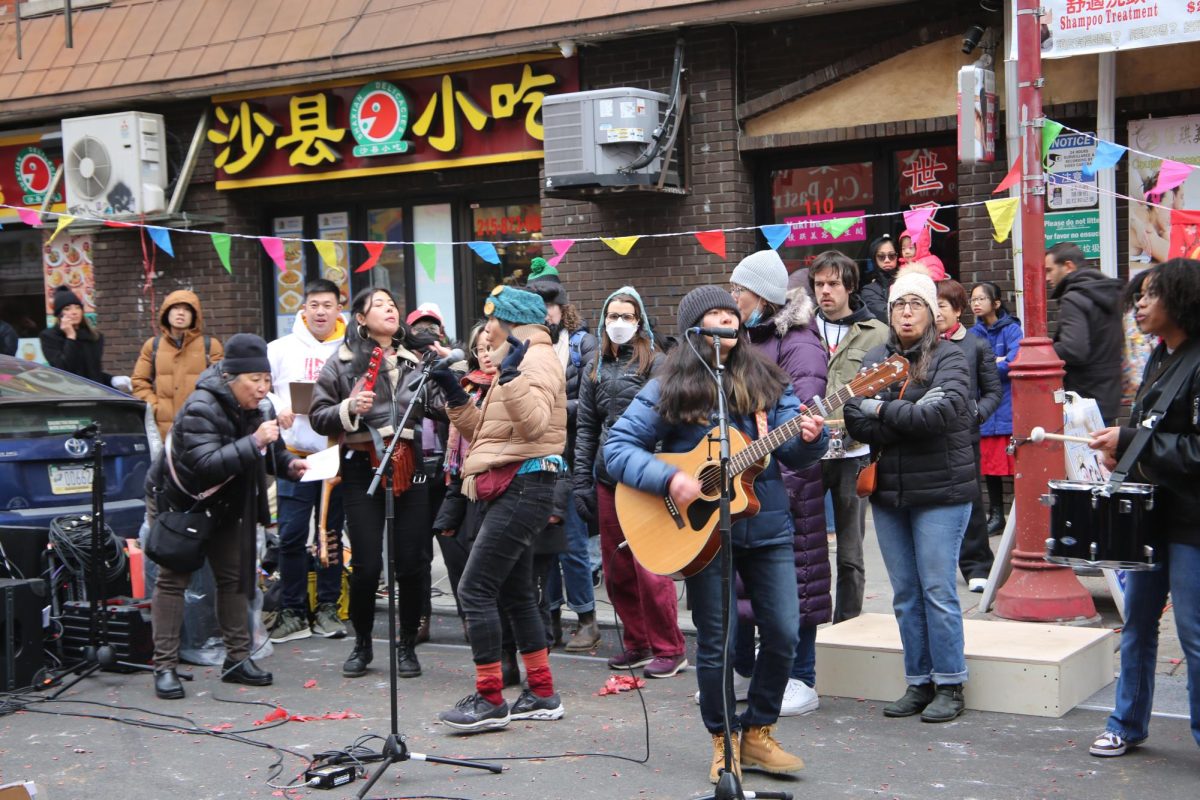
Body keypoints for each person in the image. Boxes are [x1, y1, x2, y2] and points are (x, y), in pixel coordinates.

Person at [605, 285, 828, 783]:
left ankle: (758, 733)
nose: (725, 324)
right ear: (693, 330)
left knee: (785, 633)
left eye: (731, 316)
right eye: (714, 317)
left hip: (767, 526)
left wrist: (816, 438)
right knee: (718, 644)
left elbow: (793, 451)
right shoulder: (669, 381)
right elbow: (616, 448)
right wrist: (671, 478)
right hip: (702, 536)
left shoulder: (767, 378)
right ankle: (723, 740)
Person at [427, 285, 568, 732]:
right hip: (513, 482)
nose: (484, 332)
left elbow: (535, 423)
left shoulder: (536, 359)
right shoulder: (519, 360)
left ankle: (490, 699)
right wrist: (453, 394)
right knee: (514, 592)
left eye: (491, 322)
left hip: (524, 484)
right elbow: (488, 433)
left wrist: (510, 378)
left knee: (474, 589)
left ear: (509, 322)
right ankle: (542, 692)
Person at [844, 267, 976, 723]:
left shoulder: (951, 358)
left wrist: (879, 407)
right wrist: (900, 414)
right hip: (889, 494)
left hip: (942, 491)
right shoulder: (875, 356)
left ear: (932, 312)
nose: (906, 312)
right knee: (904, 592)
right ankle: (918, 681)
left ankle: (951, 683)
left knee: (937, 589)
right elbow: (851, 417)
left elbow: (935, 419)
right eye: (899, 304)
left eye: (916, 303)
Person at [146, 334, 307, 699]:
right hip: (184, 501)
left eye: (267, 380)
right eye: (255, 380)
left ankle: (237, 660)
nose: (263, 388)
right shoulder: (202, 406)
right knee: (173, 580)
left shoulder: (258, 407)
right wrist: (255, 442)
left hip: (227, 505)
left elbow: (270, 454)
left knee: (234, 579)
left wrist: (290, 464)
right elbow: (205, 465)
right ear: (232, 378)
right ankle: (165, 667)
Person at [1086, 258, 1200, 758]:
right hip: (1152, 514)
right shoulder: (1158, 357)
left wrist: (1133, 440)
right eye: (1138, 295)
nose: (1140, 304)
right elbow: (1153, 437)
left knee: (1194, 634)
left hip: (1194, 522)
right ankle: (1126, 723)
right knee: (1137, 623)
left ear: (1181, 300)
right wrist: (1122, 450)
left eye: (1151, 295)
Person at [309, 288, 441, 680]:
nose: (390, 308)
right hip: (361, 465)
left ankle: (406, 644)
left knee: (414, 562)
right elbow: (317, 415)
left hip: (410, 464)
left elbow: (435, 406)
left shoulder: (416, 359)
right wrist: (348, 408)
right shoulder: (343, 361)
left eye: (393, 303)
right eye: (380, 304)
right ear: (361, 318)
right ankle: (363, 642)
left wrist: (450, 382)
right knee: (367, 565)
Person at [730, 250, 830, 716]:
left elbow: (800, 416)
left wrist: (777, 471)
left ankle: (801, 677)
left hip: (791, 481)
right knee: (745, 582)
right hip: (749, 478)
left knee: (798, 579)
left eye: (739, 291)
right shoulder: (744, 337)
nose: (732, 299)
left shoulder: (800, 342)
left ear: (764, 297)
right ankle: (751, 672)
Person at [574, 286, 687, 679]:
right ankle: (637, 642)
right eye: (612, 316)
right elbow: (586, 427)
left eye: (626, 316)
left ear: (639, 321)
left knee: (650, 567)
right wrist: (581, 482)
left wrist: (655, 472)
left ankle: (670, 647)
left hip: (643, 478)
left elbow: (663, 424)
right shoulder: (594, 367)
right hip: (606, 478)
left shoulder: (656, 363)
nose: (618, 323)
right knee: (616, 568)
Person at [264, 279, 347, 643]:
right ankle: (293, 611)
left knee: (330, 535)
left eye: (327, 304)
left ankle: (328, 607)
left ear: (338, 309)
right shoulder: (279, 349)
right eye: (313, 304)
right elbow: (259, 385)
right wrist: (278, 405)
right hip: (293, 457)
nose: (320, 312)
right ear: (303, 309)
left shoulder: (349, 349)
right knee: (292, 535)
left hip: (334, 456)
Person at [524, 257, 600, 651]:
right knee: (543, 541)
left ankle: (587, 617)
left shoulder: (581, 343)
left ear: (561, 306)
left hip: (571, 453)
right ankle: (549, 616)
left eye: (549, 305)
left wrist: (551, 409)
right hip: (535, 453)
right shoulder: (524, 346)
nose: (545, 314)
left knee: (570, 539)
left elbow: (589, 399)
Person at [809, 251, 889, 622]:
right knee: (806, 547)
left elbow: (890, 389)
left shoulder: (876, 332)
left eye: (833, 284)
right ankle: (810, 621)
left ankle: (848, 623)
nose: (825, 291)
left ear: (850, 287)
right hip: (806, 451)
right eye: (819, 284)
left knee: (850, 551)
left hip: (853, 452)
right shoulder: (800, 329)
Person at [934, 280, 1001, 593]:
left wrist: (977, 413)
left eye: (942, 306)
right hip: (929, 433)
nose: (936, 313)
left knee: (971, 500)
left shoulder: (976, 345)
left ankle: (977, 565)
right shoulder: (924, 345)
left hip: (964, 436)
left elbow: (992, 391)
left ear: (958, 310)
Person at [405, 301, 454, 644]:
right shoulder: (402, 368)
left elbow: (450, 409)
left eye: (431, 328)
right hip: (413, 470)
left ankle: (470, 618)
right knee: (416, 553)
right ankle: (419, 618)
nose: (425, 335)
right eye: (418, 329)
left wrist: (443, 364)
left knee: (455, 549)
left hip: (446, 470)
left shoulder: (452, 363)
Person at [1044, 242, 1125, 424]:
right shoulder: (1105, 293)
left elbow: (1073, 349)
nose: (1047, 277)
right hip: (1108, 394)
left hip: (1084, 397)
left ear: (1068, 266)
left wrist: (1044, 351)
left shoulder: (1074, 298)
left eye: (1049, 270)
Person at [131, 291, 224, 440]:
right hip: (163, 429)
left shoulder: (210, 346)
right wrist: (155, 408)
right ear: (166, 312)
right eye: (175, 308)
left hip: (201, 426)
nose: (181, 313)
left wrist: (206, 409)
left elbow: (221, 384)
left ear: (195, 316)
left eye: (187, 309)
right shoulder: (153, 346)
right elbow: (139, 381)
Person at [969, 282, 1022, 535]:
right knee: (990, 468)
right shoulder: (973, 334)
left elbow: (1014, 362)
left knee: (1016, 466)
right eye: (973, 299)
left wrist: (990, 364)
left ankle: (1019, 517)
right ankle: (997, 515)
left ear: (996, 303)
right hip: (987, 408)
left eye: (981, 299)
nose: (976, 303)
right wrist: (996, 363)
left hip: (1009, 407)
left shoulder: (1013, 330)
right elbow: (972, 366)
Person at [41, 287, 112, 386]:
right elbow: (63, 369)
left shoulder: (94, 336)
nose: (74, 312)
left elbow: (93, 372)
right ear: (59, 314)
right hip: (71, 395)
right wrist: (70, 337)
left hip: (95, 394)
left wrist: (112, 380)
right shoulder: (49, 337)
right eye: (67, 309)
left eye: (77, 307)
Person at [860, 235, 901, 323]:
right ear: (875, 259)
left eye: (891, 255)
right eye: (881, 257)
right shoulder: (869, 290)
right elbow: (885, 315)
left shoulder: (909, 280)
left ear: (897, 257)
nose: (887, 260)